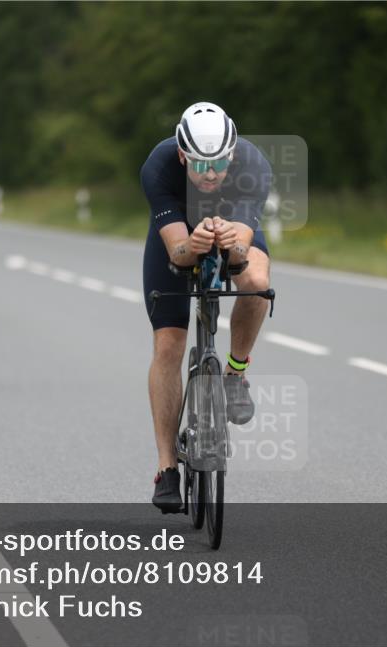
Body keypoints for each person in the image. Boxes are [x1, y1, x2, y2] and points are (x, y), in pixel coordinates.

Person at [140, 102, 273, 512]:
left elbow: (241, 259)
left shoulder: (254, 165)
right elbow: (177, 253)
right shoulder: (159, 166)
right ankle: (167, 469)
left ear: (232, 153)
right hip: (180, 230)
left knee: (255, 282)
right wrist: (192, 246)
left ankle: (235, 374)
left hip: (234, 227)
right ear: (183, 154)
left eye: (218, 162)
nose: (211, 172)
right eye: (199, 164)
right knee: (168, 346)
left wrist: (230, 243)